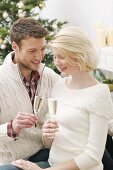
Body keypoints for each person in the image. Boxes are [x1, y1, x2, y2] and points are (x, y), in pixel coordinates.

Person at [11, 26, 113, 170]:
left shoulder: (99, 93)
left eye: (61, 57)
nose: (56, 62)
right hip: (52, 164)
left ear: (78, 55)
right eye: (55, 56)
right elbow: (49, 143)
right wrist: (47, 134)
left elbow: (92, 156)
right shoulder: (60, 85)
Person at [0, 17, 60, 169]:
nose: (39, 57)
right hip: (11, 160)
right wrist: (11, 127)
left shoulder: (49, 76)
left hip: (44, 152)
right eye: (32, 51)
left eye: (42, 49)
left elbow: (81, 100)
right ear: (15, 46)